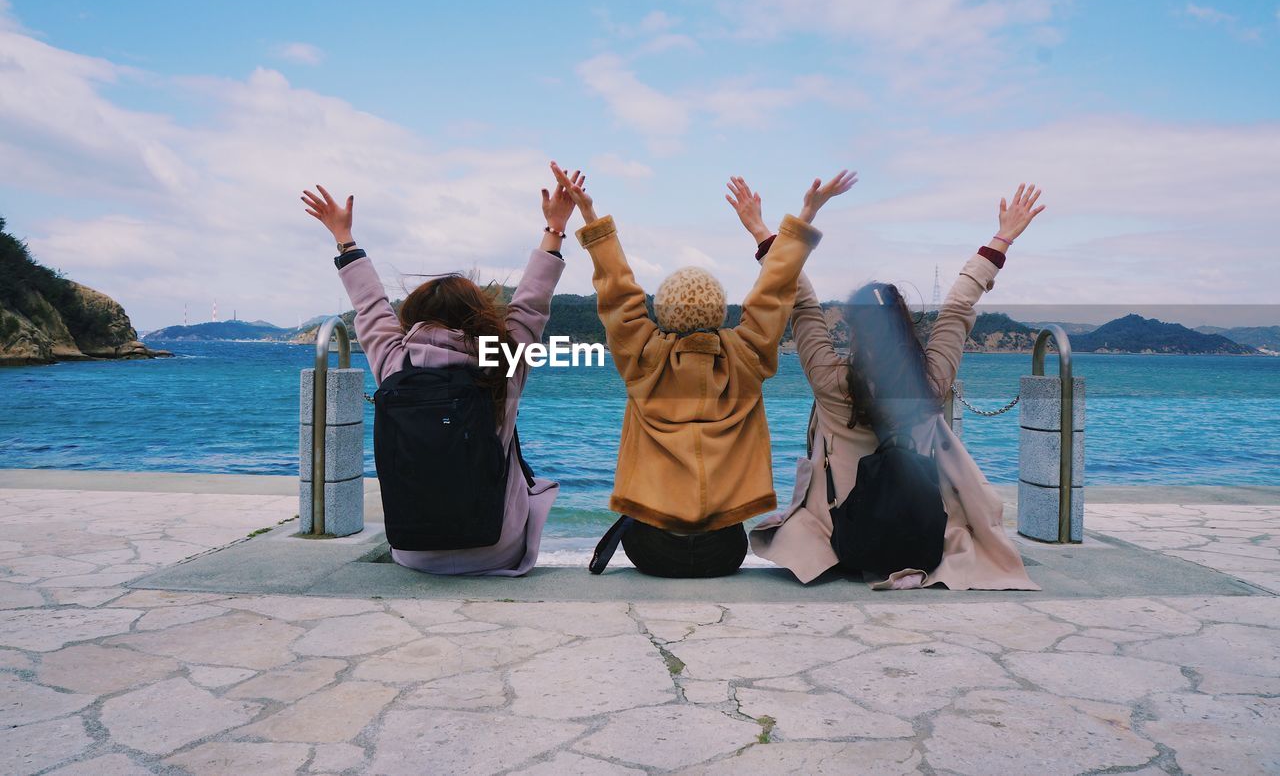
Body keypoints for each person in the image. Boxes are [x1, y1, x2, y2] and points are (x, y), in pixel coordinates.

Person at [732, 177, 1044, 590]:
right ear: (904, 326)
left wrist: (762, 230)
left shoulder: (831, 381)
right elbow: (958, 306)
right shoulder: (930, 382)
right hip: (918, 538)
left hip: (845, 541)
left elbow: (801, 301)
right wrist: (1002, 238)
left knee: (801, 524)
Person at [551, 162, 855, 578]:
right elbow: (776, 289)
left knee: (641, 523)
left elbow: (618, 292)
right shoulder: (747, 353)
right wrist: (803, 217)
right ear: (718, 309)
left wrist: (589, 217)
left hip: (652, 551)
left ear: (663, 311)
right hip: (723, 553)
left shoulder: (642, 357)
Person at [300, 171, 582, 575]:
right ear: (480, 316)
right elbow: (531, 305)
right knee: (532, 486)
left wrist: (344, 238)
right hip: (495, 549)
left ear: (414, 316)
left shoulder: (395, 363)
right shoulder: (500, 363)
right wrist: (555, 228)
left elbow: (371, 306)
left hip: (414, 552)